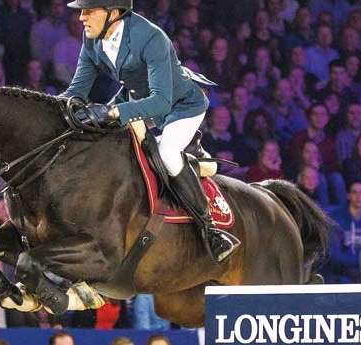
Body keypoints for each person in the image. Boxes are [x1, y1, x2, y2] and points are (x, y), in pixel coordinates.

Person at [61, 0, 239, 264]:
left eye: (89, 11)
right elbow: (75, 92)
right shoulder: (93, 40)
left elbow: (161, 103)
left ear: (113, 12)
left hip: (181, 105)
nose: (81, 18)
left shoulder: (151, 37)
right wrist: (54, 111)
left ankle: (209, 229)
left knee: (167, 153)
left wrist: (111, 113)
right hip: (136, 99)